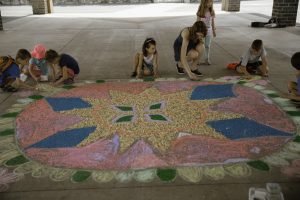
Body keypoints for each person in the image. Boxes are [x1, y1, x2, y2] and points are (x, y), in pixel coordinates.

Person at [196, 0, 216, 65]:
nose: (210, 3)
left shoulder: (211, 11)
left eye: (211, 2)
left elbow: (213, 22)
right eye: (208, 2)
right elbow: (197, 22)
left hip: (209, 31)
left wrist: (214, 31)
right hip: (201, 32)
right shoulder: (200, 11)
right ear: (204, 2)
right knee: (200, 45)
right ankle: (197, 59)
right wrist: (198, 32)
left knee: (207, 45)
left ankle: (207, 59)